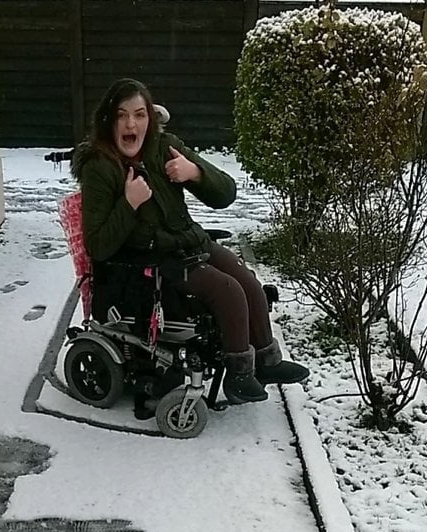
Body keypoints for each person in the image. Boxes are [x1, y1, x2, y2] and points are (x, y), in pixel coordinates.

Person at [71, 77, 309, 405]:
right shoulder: (100, 167)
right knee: (229, 292)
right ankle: (239, 375)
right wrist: (129, 203)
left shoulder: (164, 145)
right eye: (122, 115)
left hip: (190, 242)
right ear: (109, 120)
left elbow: (225, 192)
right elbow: (98, 246)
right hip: (152, 259)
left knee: (250, 284)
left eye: (139, 115)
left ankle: (267, 363)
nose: (131, 124)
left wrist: (194, 172)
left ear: (149, 119)